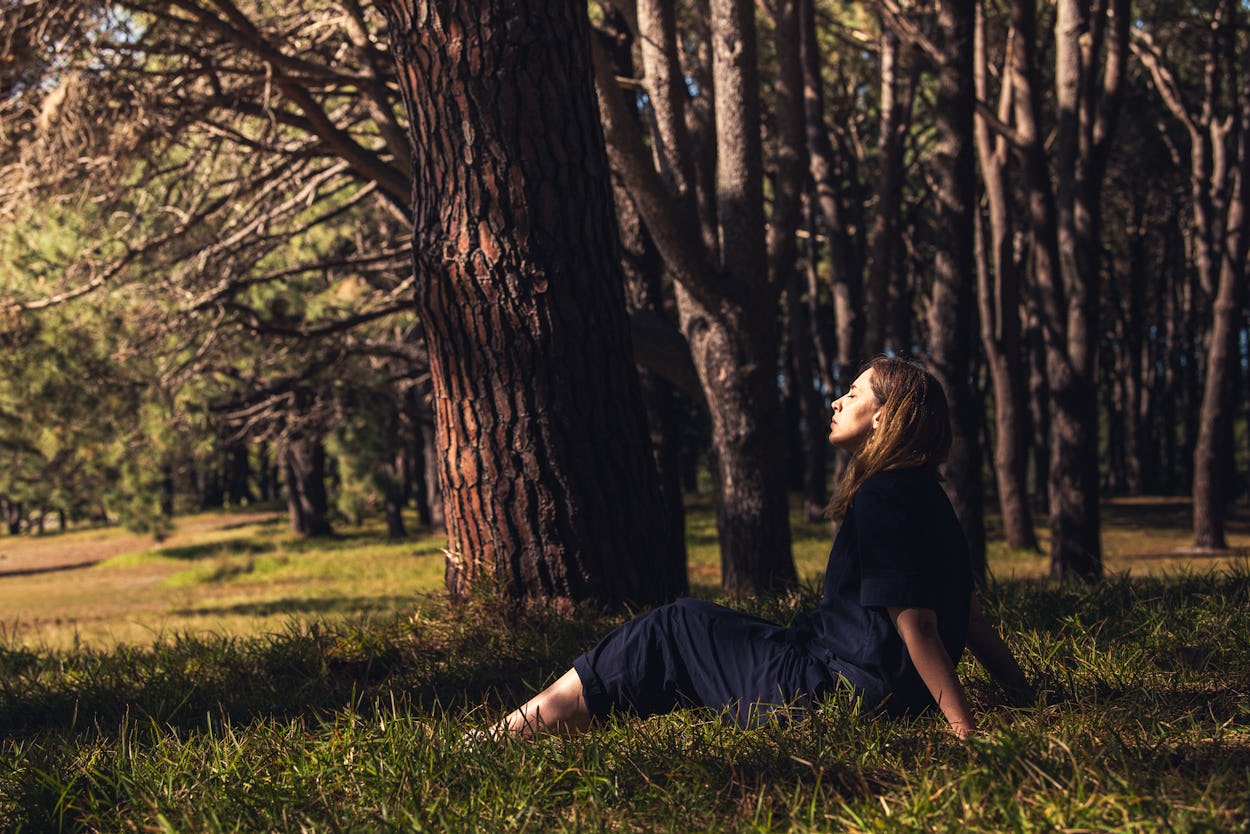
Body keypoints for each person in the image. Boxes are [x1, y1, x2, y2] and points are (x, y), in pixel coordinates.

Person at [492, 356, 1030, 741]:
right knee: (699, 630)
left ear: (885, 418)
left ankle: (503, 737)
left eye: (856, 394)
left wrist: (964, 731)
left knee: (673, 626)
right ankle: (537, 723)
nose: (838, 401)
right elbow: (972, 619)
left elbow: (922, 624)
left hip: (830, 690)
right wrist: (1024, 692)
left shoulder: (883, 496)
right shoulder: (929, 495)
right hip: (851, 680)